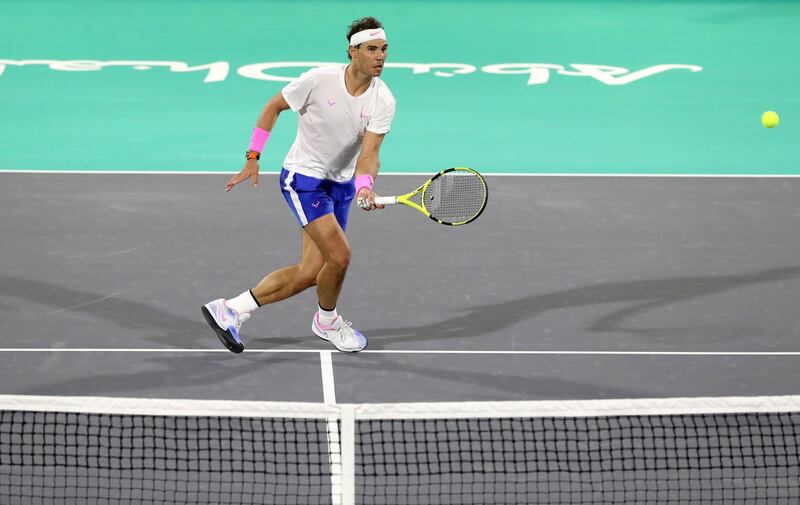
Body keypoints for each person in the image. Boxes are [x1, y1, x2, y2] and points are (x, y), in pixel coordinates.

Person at [201, 17, 395, 354]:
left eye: (384, 49)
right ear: (353, 52)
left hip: (340, 185)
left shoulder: (383, 100)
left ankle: (231, 309)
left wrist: (364, 186)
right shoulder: (319, 80)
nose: (380, 56)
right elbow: (274, 106)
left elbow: (370, 155)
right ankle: (327, 321)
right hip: (304, 178)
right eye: (371, 49)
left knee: (311, 271)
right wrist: (252, 156)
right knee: (340, 256)